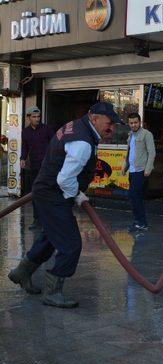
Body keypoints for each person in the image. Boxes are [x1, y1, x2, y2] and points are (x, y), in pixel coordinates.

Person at [8, 102, 120, 309]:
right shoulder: (83, 142)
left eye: (114, 124)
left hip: (47, 190)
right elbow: (65, 179)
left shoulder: (79, 127)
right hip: (53, 194)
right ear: (94, 118)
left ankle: (21, 273)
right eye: (109, 123)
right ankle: (53, 292)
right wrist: (77, 194)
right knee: (71, 244)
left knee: (50, 239)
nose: (112, 128)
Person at [20, 106, 55, 230]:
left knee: (48, 192)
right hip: (34, 166)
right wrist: (22, 159)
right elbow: (25, 147)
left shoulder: (47, 129)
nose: (37, 119)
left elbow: (55, 144)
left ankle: (49, 219)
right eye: (34, 117)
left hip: (47, 167)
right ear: (29, 118)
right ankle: (37, 219)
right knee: (35, 192)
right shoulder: (25, 132)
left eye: (38, 116)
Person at [123, 112, 156, 232]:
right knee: (136, 197)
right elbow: (129, 153)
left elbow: (152, 153)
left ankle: (140, 222)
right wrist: (125, 168)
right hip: (132, 171)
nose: (133, 125)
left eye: (135, 122)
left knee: (133, 195)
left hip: (141, 171)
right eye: (131, 123)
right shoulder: (130, 135)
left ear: (140, 122)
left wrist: (148, 169)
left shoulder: (147, 134)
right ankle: (140, 222)